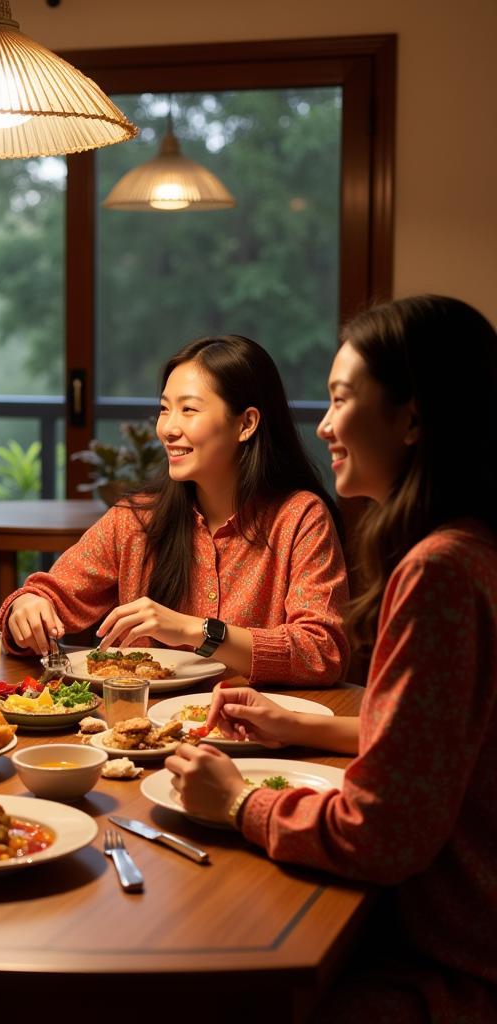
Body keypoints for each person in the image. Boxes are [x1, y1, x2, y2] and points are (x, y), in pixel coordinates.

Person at [167, 296, 497, 1021]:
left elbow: (380, 834)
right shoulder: (474, 546)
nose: (322, 425)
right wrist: (301, 728)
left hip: (451, 955)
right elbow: (440, 744)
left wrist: (238, 801)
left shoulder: (439, 570)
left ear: (413, 418)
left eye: (342, 399)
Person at [0, 335, 349, 686]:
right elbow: (48, 597)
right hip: (141, 730)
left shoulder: (300, 517)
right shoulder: (136, 519)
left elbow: (322, 652)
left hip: (253, 731)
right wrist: (27, 609)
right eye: (165, 409)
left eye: (189, 409)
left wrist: (193, 630)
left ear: (246, 424)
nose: (168, 428)